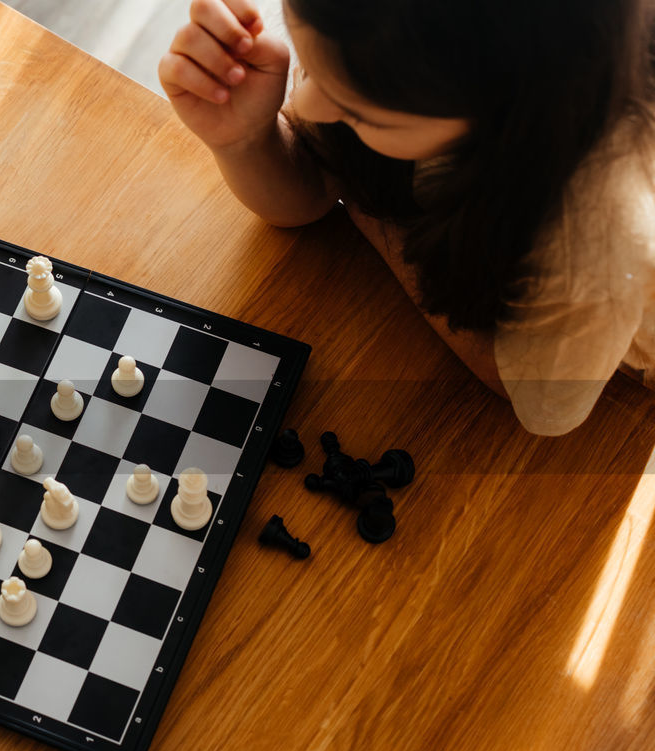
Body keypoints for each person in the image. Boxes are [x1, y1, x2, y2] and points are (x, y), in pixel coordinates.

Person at [159, 0, 655, 435]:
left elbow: (532, 393)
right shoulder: (371, 28)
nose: (305, 100)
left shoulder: (599, 235)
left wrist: (363, 209)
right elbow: (315, 185)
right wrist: (245, 140)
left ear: (507, 122)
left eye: (364, 115)